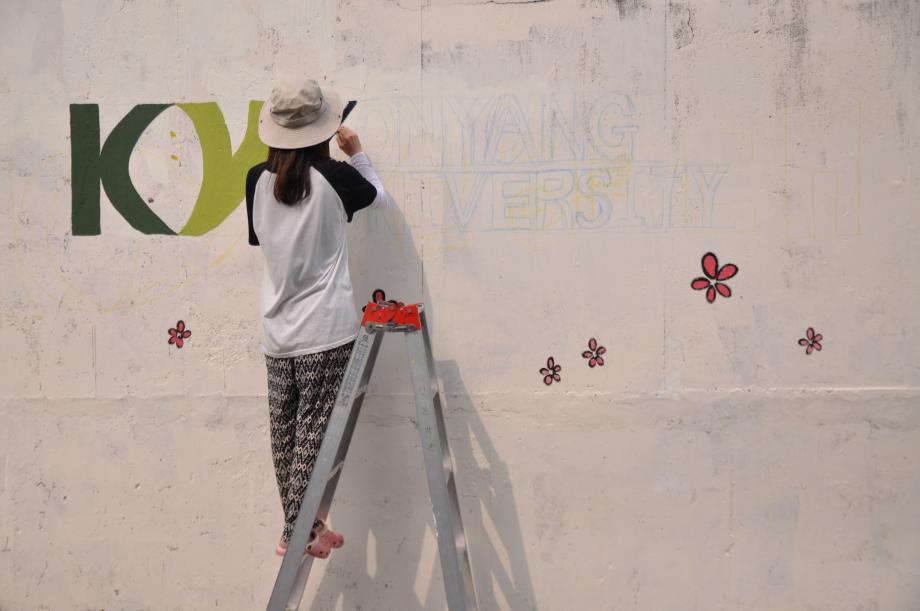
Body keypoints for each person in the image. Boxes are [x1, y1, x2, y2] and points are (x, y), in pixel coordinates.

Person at [246, 77, 388, 558]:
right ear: (323, 128)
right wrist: (358, 154)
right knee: (312, 432)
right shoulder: (335, 177)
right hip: (324, 329)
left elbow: (265, 238)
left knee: (285, 433)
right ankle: (297, 531)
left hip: (276, 330)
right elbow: (378, 198)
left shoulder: (256, 180)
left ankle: (305, 525)